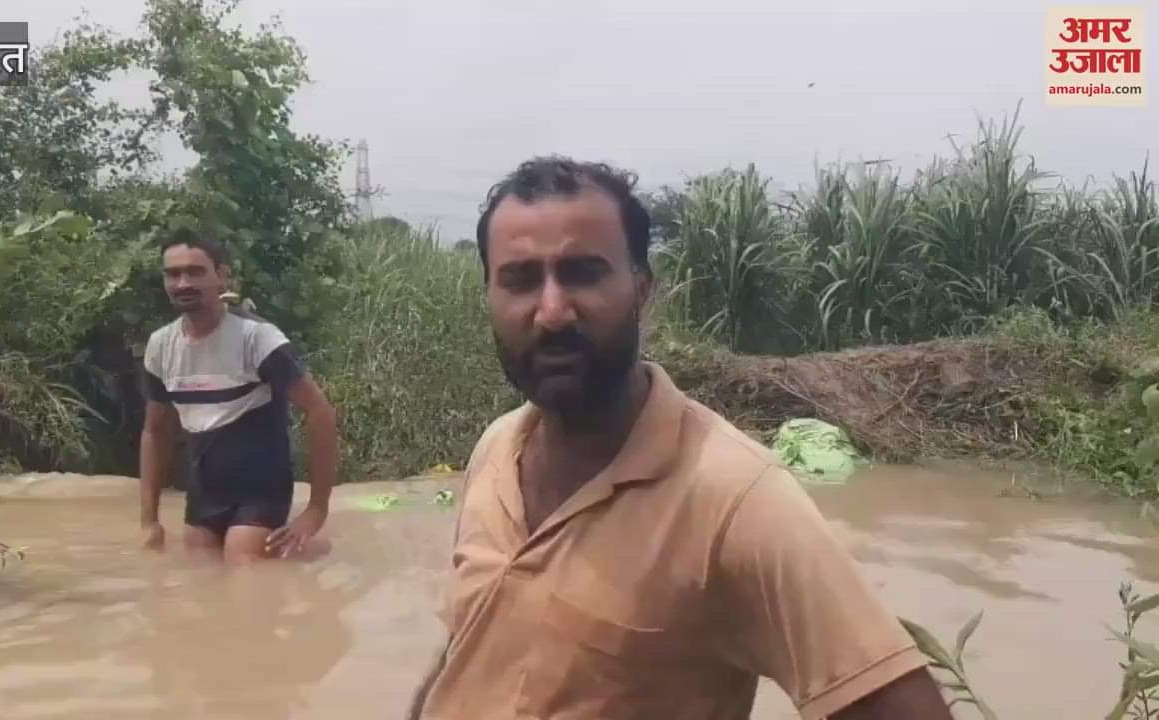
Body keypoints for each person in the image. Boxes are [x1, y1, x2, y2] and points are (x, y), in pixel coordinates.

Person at [407, 157, 952, 720]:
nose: (551, 312)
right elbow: (464, 651)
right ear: (490, 297)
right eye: (520, 280)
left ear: (642, 289)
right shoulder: (497, 449)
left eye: (582, 274)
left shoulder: (734, 499)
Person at [138, 228, 339, 564]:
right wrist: (149, 521)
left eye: (195, 271)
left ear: (222, 276)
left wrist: (316, 511)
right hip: (204, 491)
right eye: (173, 274)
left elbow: (321, 412)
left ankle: (312, 547)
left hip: (260, 488)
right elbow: (155, 431)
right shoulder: (161, 346)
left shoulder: (257, 339)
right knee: (197, 573)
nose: (183, 283)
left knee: (243, 563)